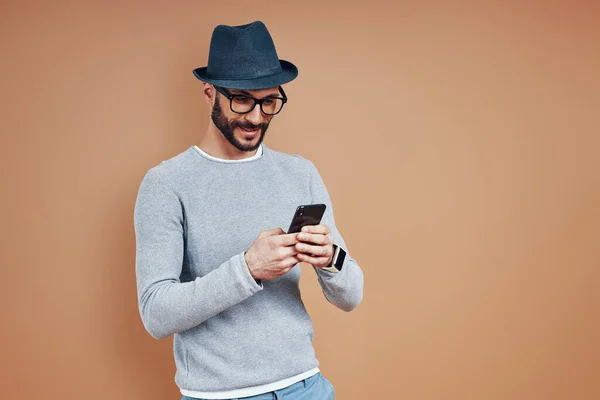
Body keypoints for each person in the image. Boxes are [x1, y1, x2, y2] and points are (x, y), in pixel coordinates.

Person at [133, 20, 364, 400]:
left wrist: (330, 259)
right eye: (241, 99)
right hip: (220, 395)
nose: (257, 117)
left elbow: (351, 297)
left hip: (306, 387)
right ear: (209, 94)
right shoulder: (166, 184)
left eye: (269, 102)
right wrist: (247, 269)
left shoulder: (300, 173)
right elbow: (156, 314)